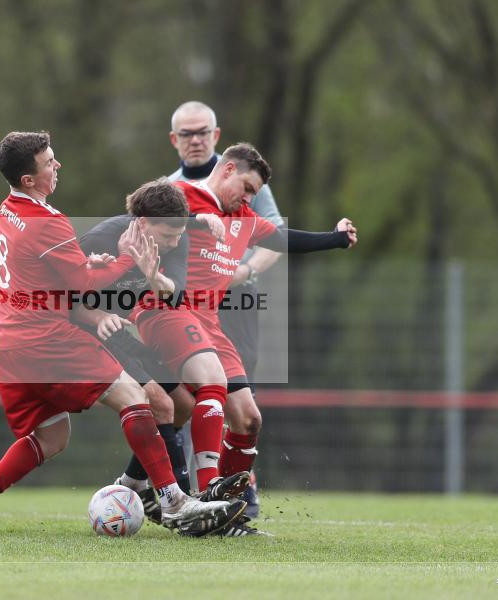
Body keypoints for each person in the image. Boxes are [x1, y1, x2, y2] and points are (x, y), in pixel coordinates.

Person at [0, 131, 246, 536]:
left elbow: (59, 273)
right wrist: (122, 258)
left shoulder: (7, 210)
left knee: (52, 437)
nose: (57, 165)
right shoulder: (47, 222)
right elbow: (82, 284)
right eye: (49, 162)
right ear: (29, 178)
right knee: (137, 398)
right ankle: (174, 501)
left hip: (10, 345)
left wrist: (102, 267)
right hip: (46, 339)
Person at [133, 142, 357, 535]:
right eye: (248, 188)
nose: (250, 197)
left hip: (209, 324)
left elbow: (288, 239)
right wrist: (197, 224)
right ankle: (205, 506)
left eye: (254, 193)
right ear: (228, 168)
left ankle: (221, 508)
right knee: (203, 389)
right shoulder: (183, 197)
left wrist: (334, 238)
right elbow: (139, 220)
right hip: (168, 310)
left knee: (248, 418)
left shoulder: (247, 219)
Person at [74, 178, 246, 525]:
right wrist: (98, 314)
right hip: (82, 333)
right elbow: (61, 300)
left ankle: (132, 483)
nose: (174, 243)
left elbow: (174, 293)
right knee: (161, 402)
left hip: (117, 333)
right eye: (167, 235)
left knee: (184, 404)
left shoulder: (174, 239)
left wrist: (155, 277)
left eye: (179, 234)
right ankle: (183, 506)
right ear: (141, 223)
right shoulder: (98, 240)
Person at [167, 101, 285, 518]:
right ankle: (182, 492)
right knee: (185, 396)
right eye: (187, 134)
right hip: (184, 306)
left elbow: (278, 233)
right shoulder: (169, 187)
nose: (195, 140)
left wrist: (245, 271)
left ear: (216, 137)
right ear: (174, 140)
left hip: (236, 300)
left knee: (239, 400)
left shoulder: (246, 174)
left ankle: (236, 494)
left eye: (203, 132)